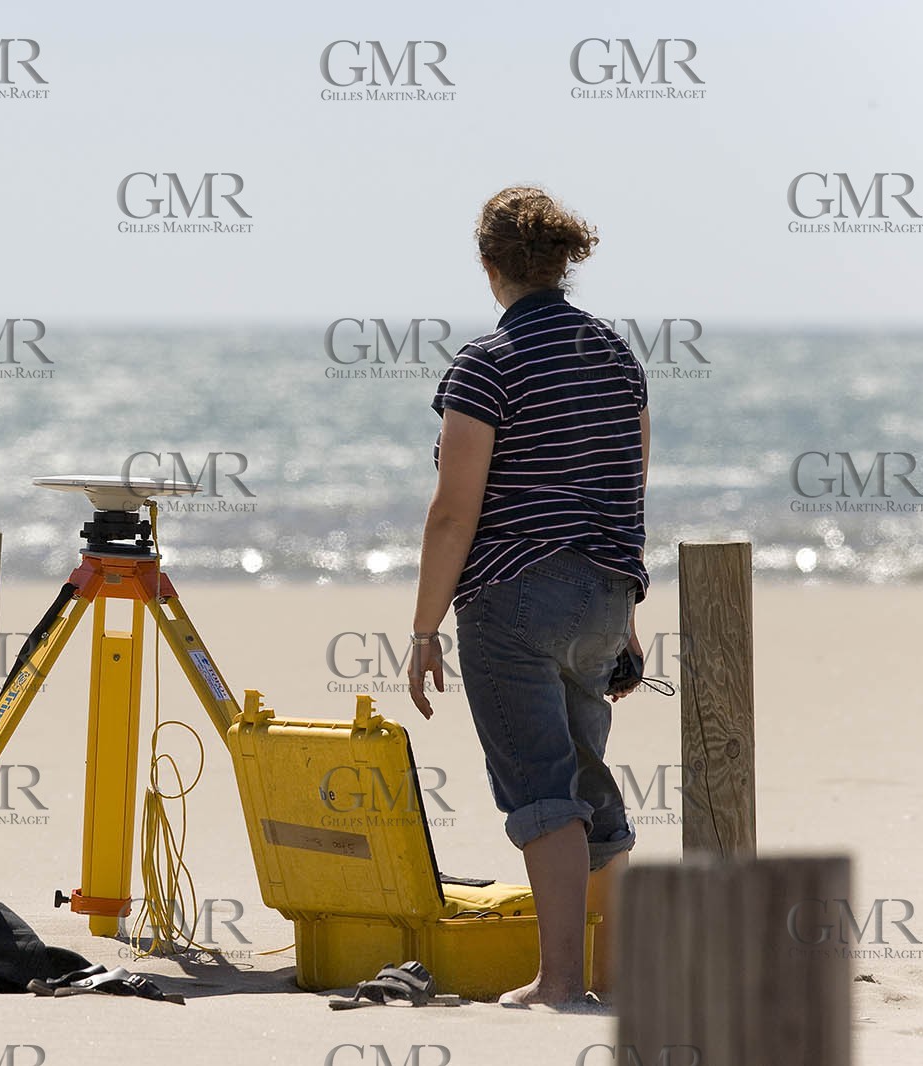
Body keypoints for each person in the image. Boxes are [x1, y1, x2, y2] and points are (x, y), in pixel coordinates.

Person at [406, 185, 650, 1007]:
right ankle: (612, 975)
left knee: (542, 787)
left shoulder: (486, 364)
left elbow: (451, 514)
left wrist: (423, 628)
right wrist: (629, 619)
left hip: (513, 600)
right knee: (587, 778)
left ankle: (560, 983)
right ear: (561, 263)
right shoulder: (617, 357)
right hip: (605, 594)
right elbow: (623, 487)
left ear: (490, 269)